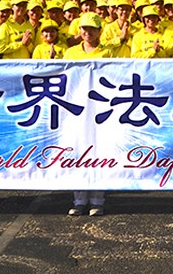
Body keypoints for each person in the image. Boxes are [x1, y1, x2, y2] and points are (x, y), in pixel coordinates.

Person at [64, 12, 110, 216]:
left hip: (100, 111)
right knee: (77, 152)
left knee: (98, 153)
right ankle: (79, 199)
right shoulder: (71, 53)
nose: (87, 32)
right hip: (76, 109)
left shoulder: (108, 53)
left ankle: (98, 200)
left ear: (100, 31)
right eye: (84, 28)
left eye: (92, 28)